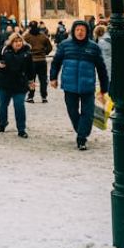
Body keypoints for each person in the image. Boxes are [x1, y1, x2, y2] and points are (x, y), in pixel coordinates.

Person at [50, 20, 109, 151]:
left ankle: (81, 138)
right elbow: (56, 62)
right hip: (69, 86)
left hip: (87, 86)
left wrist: (104, 88)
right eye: (77, 30)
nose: (80, 32)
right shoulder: (65, 45)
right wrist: (53, 78)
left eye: (82, 30)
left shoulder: (93, 47)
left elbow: (101, 68)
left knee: (88, 113)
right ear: (73, 31)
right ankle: (81, 130)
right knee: (72, 111)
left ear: (87, 31)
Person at [0, 32, 34, 137]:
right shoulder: (4, 50)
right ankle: (3, 123)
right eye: (15, 41)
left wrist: (31, 81)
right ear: (11, 43)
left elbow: (30, 69)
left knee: (19, 106)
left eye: (20, 41)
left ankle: (21, 129)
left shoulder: (27, 52)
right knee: (2, 105)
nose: (18, 43)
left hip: (20, 83)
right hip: (4, 82)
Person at [23, 21, 52, 104]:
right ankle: (44, 96)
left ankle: (30, 96)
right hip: (42, 60)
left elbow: (23, 46)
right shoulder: (43, 36)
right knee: (43, 79)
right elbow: (49, 47)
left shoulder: (27, 36)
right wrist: (45, 53)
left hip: (31, 60)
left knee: (31, 79)